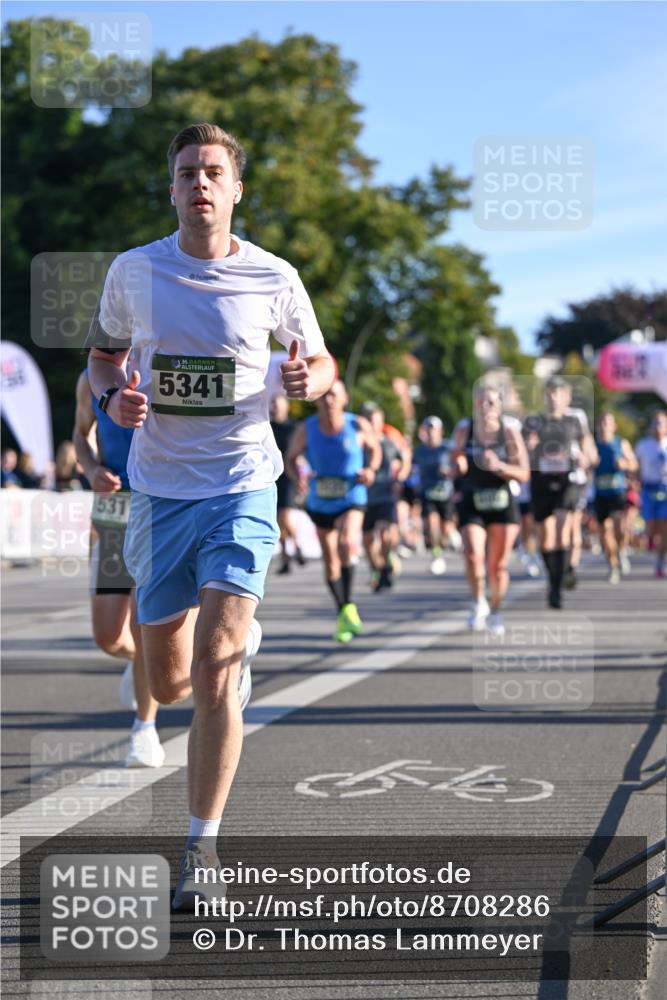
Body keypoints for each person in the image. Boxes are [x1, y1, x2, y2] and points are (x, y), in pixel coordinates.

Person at [86, 122, 335, 910]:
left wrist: (308, 381)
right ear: (171, 189)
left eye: (213, 172)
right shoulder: (134, 271)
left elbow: (318, 361)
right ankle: (204, 659)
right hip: (160, 492)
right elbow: (101, 355)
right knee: (167, 677)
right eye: (187, 171)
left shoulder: (272, 275)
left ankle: (202, 847)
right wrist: (111, 399)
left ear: (234, 190)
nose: (199, 183)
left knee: (219, 662)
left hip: (242, 483)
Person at [73, 368, 165, 767]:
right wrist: (92, 469)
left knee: (144, 626)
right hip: (113, 510)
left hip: (162, 505)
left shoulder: (165, 365)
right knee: (109, 636)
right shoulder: (89, 379)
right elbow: (80, 435)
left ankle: (144, 730)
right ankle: (140, 665)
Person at [286, 380, 380, 642]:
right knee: (330, 560)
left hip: (352, 496)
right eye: (324, 396)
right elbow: (291, 459)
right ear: (316, 400)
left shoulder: (357, 425)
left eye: (333, 395)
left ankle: (347, 605)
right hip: (320, 501)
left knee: (347, 542)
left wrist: (371, 470)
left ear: (344, 399)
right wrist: (298, 477)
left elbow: (375, 449)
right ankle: (344, 611)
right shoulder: (307, 429)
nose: (328, 400)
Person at [451, 383, 530, 634]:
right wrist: (460, 464)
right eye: (481, 402)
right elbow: (455, 456)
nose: (486, 407)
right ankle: (478, 602)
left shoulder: (509, 432)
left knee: (498, 566)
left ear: (500, 407)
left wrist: (499, 466)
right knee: (473, 554)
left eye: (491, 403)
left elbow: (524, 473)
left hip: (502, 502)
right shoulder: (466, 429)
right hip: (473, 500)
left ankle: (496, 611)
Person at [523, 376, 598, 609]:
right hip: (541, 484)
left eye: (559, 393)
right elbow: (521, 449)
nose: (554, 398)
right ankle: (554, 578)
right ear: (545, 396)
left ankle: (556, 587)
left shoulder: (575, 421)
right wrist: (529, 447)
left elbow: (589, 448)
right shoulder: (534, 421)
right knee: (545, 538)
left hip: (567, 483)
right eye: (550, 393)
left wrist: (587, 457)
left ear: (567, 397)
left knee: (563, 530)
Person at [360, 401, 411, 592]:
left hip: (386, 496)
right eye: (369, 420)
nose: (373, 424)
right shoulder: (359, 442)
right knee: (368, 540)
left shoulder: (390, 443)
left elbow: (404, 459)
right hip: (364, 498)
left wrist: (401, 478)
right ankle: (379, 569)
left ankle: (386, 560)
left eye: (376, 420)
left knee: (387, 535)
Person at [593, 411, 638, 584]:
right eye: (602, 422)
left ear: (614, 426)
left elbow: (634, 464)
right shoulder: (594, 445)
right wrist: (591, 462)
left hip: (617, 492)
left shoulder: (621, 443)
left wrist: (625, 464)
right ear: (598, 426)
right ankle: (612, 566)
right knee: (605, 532)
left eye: (608, 422)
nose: (604, 426)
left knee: (621, 530)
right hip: (600, 493)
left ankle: (621, 551)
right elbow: (585, 463)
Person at [413, 416, 459, 575]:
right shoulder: (420, 450)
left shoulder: (448, 448)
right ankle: (437, 555)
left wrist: (450, 472)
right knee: (431, 524)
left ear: (440, 431)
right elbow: (412, 467)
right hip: (427, 492)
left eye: (434, 428)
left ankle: (451, 535)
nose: (431, 432)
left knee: (446, 528)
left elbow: (458, 467)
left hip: (445, 492)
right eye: (428, 428)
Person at [270, 393, 305, 574]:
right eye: (272, 403)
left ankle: (297, 546)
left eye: (277, 402)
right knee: (278, 521)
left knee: (284, 516)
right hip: (271, 477)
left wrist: (302, 476)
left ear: (286, 405)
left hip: (289, 476)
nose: (274, 406)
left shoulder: (295, 428)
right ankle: (286, 558)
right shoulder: (265, 427)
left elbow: (303, 454)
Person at [635, 410, 667, 578]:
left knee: (665, 529)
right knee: (651, 526)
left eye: (661, 423)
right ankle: (649, 540)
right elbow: (636, 467)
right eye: (655, 423)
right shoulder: (643, 445)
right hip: (649, 488)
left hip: (666, 488)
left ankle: (660, 562)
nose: (657, 426)